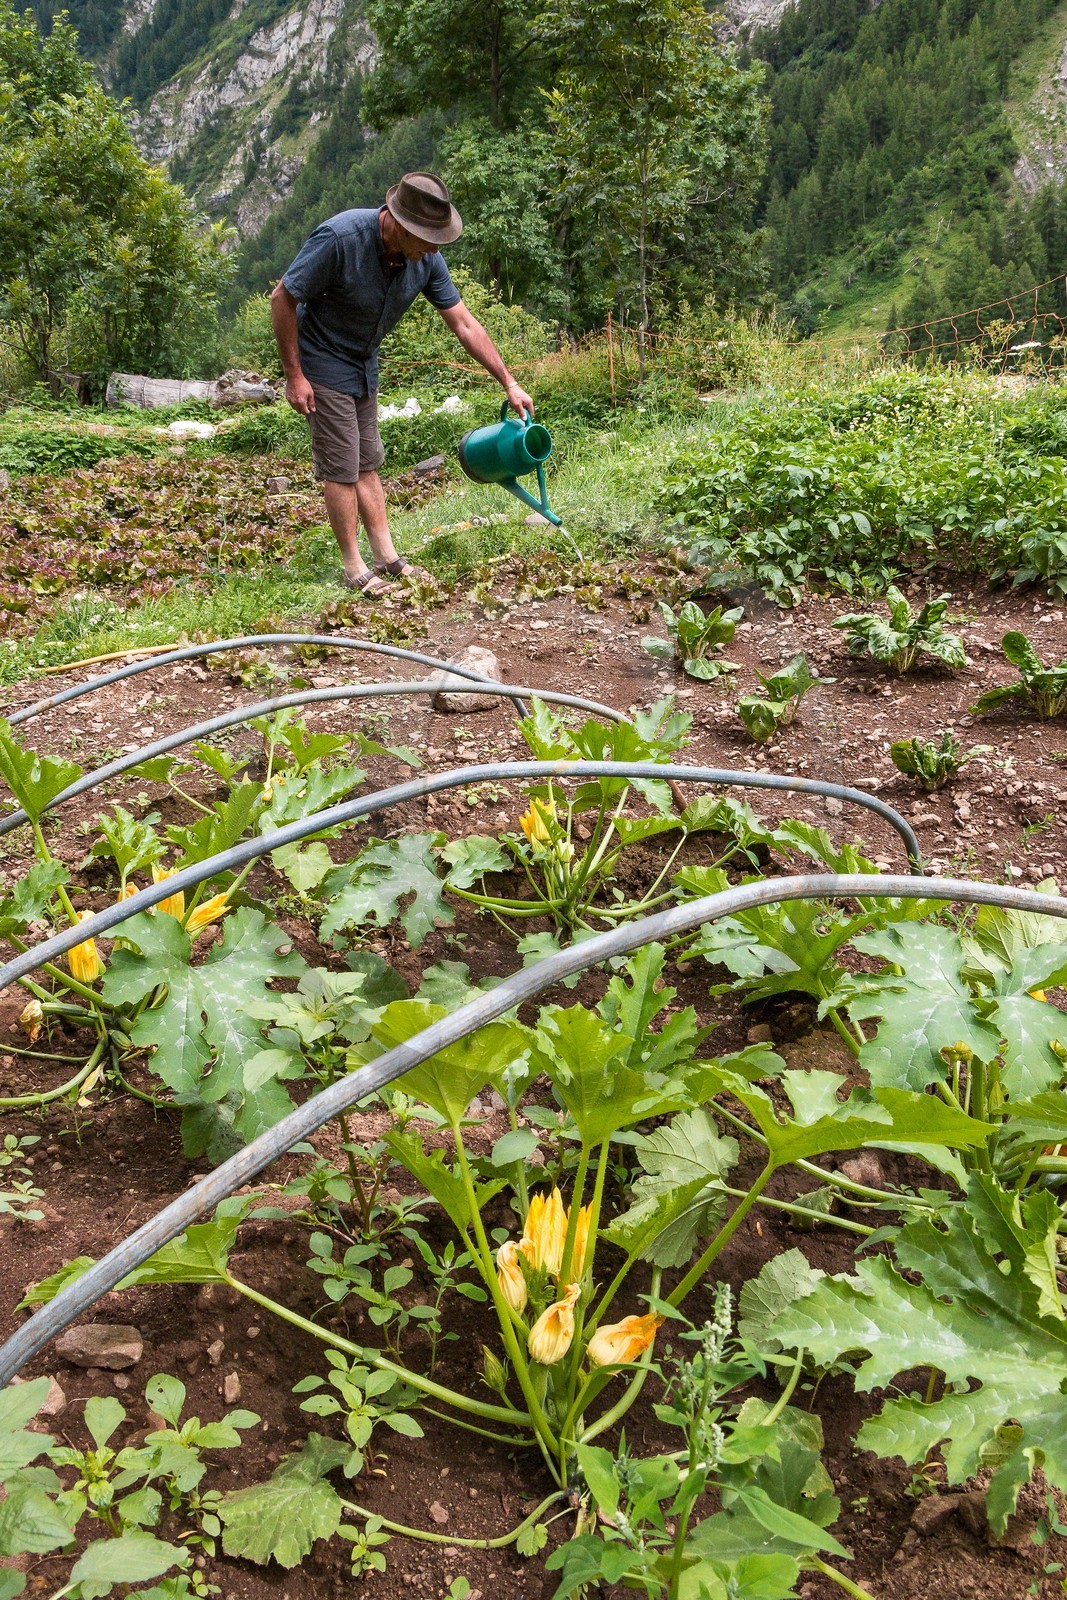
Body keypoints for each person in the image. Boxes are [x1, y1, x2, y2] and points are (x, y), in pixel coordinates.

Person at [271, 171, 535, 595]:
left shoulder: (425, 258)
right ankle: (354, 567)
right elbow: (283, 296)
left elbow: (465, 324)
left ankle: (388, 558)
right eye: (427, 237)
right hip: (321, 359)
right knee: (341, 466)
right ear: (398, 223)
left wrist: (508, 381)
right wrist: (295, 375)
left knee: (367, 461)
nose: (434, 247)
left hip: (362, 362)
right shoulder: (340, 239)